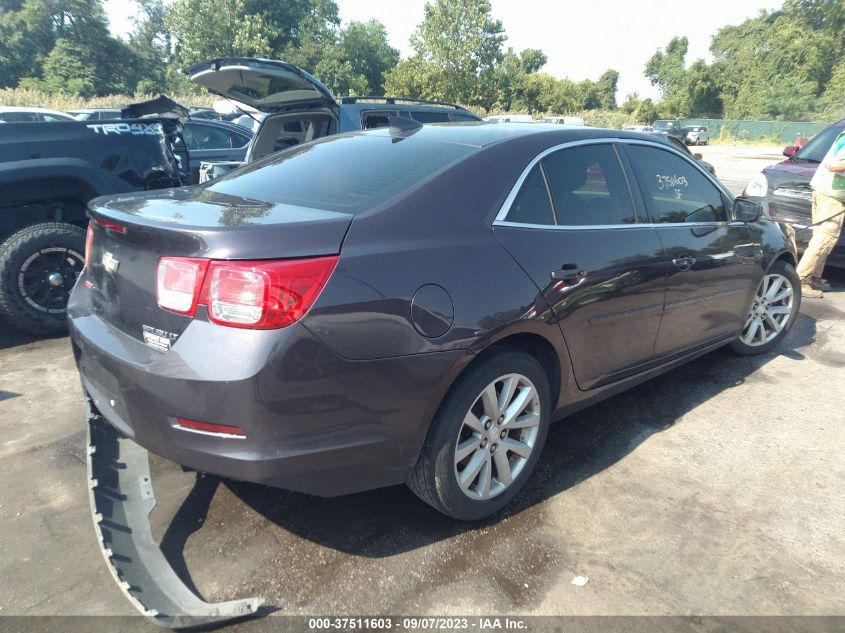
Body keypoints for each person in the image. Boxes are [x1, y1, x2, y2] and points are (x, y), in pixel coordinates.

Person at [795, 130, 845, 298]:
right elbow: (834, 165)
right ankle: (801, 281)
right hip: (832, 196)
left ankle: (813, 277)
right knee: (825, 239)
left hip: (825, 192)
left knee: (820, 238)